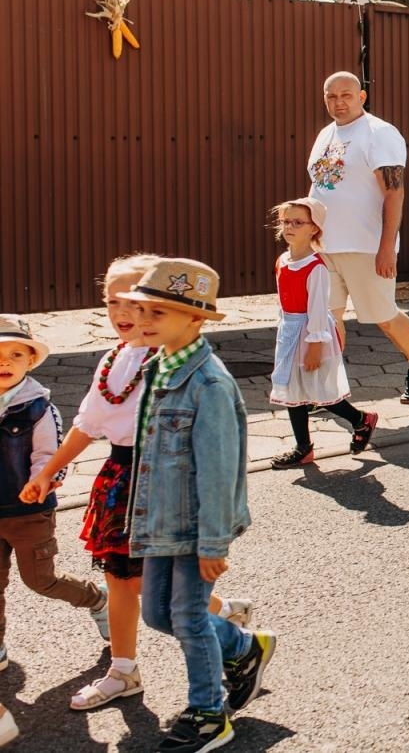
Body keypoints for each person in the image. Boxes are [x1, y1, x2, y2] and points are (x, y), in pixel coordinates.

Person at [21, 256, 253, 714]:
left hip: (160, 481)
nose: (127, 314)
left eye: (138, 303)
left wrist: (214, 536)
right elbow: (88, 424)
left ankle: (222, 628)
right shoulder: (115, 360)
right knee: (120, 579)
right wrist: (48, 472)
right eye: (114, 302)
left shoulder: (177, 364)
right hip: (119, 477)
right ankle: (123, 669)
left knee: (159, 592)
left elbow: (217, 459)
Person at [122, 258, 276, 751]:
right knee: (158, 616)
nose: (144, 321)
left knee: (187, 617)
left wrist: (213, 542)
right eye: (142, 310)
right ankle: (242, 646)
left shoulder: (208, 383)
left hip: (195, 526)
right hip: (162, 520)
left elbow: (217, 468)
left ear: (196, 320)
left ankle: (210, 714)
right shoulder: (158, 366)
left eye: (158, 314)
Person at [307, 71, 409, 403]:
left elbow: (394, 193)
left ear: (362, 96)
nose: (338, 103)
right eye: (331, 96)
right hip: (324, 245)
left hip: (365, 246)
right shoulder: (326, 134)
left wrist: (386, 248)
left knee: (383, 316)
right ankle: (330, 390)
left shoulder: (379, 133)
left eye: (346, 95)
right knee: (327, 317)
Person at [0, 316, 111, 669]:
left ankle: (96, 599)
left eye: (16, 355)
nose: (5, 362)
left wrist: (42, 480)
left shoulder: (38, 408)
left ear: (30, 361)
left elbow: (49, 454)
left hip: (27, 512)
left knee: (41, 580)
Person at [266, 198, 377, 468]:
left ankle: (362, 420)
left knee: (319, 390)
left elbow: (317, 308)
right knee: (292, 390)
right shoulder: (283, 261)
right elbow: (284, 302)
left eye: (298, 222)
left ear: (314, 229)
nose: (289, 226)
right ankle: (303, 447)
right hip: (290, 332)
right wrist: (284, 330)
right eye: (286, 221)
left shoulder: (315, 267)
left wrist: (314, 345)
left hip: (311, 333)